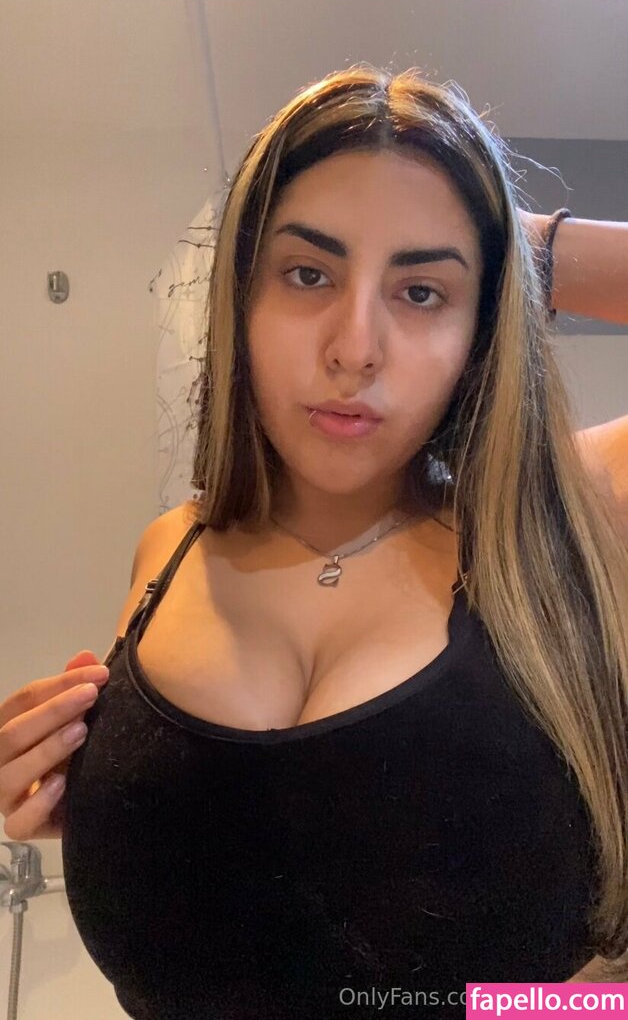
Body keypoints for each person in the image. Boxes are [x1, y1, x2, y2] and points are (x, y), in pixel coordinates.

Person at [1, 63, 627, 1018]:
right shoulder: (168, 551)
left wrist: (523, 244)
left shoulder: (562, 524)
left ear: (482, 329)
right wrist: (91, 807)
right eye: (308, 274)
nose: (354, 347)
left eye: (422, 291)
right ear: (239, 301)